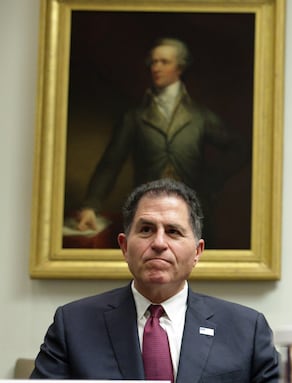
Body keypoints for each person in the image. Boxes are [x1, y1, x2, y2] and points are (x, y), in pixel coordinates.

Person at [33, 178, 278, 383]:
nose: (159, 242)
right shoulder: (73, 324)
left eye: (173, 231)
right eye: (146, 229)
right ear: (124, 247)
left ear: (197, 251)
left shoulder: (246, 329)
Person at [72, 37, 248, 246]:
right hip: (147, 215)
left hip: (195, 215)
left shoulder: (199, 116)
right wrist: (91, 205)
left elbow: (239, 147)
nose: (156, 67)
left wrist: (212, 178)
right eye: (153, 62)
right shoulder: (135, 117)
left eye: (164, 62)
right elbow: (111, 163)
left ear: (179, 68)